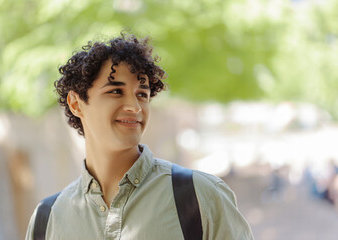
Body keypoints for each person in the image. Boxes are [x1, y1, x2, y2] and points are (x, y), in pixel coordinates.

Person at [25, 33, 254, 240]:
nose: (135, 107)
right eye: (116, 91)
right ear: (76, 104)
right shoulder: (47, 219)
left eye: (142, 94)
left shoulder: (200, 196)